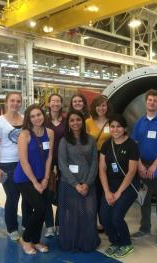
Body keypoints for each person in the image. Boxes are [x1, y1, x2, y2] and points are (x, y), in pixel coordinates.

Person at [131, 89, 157, 248]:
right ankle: (144, 228)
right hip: (142, 165)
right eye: (150, 100)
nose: (152, 103)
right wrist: (140, 164)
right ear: (146, 102)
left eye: (155, 100)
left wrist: (155, 165)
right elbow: (134, 144)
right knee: (144, 199)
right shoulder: (140, 122)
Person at [0, 92, 31, 241]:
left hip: (25, 162)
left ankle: (27, 223)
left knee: (28, 197)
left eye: (18, 101)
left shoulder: (25, 120)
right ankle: (12, 228)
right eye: (12, 100)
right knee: (13, 197)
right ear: (6, 102)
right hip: (7, 165)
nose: (15, 103)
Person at [14, 104, 54, 255]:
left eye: (39, 115)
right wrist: (35, 183)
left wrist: (45, 178)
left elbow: (49, 157)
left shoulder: (49, 133)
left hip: (41, 177)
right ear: (29, 119)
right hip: (24, 178)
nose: (37, 118)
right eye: (33, 116)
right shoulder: (25, 134)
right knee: (40, 208)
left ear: (43, 115)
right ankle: (25, 239)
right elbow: (23, 161)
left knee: (42, 210)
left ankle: (36, 241)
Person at [58, 110, 100, 251]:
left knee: (88, 214)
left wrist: (87, 184)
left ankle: (86, 242)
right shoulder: (64, 141)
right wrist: (76, 184)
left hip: (88, 184)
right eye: (72, 120)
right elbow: (62, 164)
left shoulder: (91, 140)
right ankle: (71, 241)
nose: (75, 123)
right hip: (69, 184)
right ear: (68, 123)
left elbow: (95, 162)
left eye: (78, 120)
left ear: (83, 122)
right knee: (71, 215)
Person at [99, 114, 139, 258]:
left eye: (119, 126)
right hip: (110, 185)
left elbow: (132, 171)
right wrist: (107, 191)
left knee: (116, 217)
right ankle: (115, 242)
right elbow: (102, 169)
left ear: (125, 128)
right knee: (104, 217)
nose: (115, 129)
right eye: (113, 126)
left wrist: (118, 193)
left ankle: (126, 243)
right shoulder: (106, 144)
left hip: (128, 186)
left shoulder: (132, 145)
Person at [86, 95, 112, 232]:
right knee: (94, 192)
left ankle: (105, 222)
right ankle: (93, 223)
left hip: (108, 159)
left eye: (104, 105)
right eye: (98, 105)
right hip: (92, 159)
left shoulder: (111, 122)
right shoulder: (88, 122)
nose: (101, 108)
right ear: (94, 107)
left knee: (105, 191)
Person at [44, 94, 66, 237]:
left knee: (62, 192)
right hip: (47, 159)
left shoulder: (66, 120)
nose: (55, 103)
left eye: (58, 101)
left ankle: (59, 223)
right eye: (53, 101)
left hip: (64, 160)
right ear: (49, 103)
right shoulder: (43, 120)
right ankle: (49, 225)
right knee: (47, 192)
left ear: (61, 104)